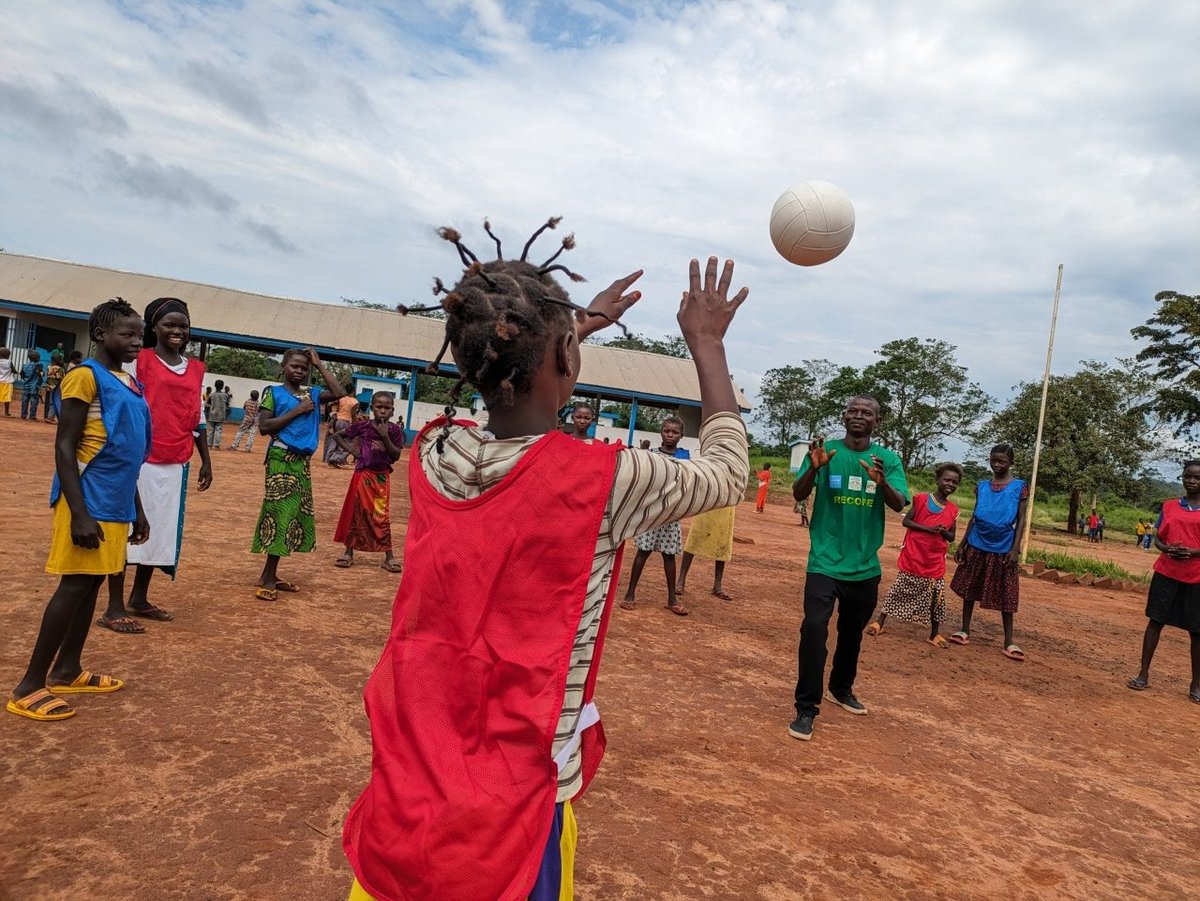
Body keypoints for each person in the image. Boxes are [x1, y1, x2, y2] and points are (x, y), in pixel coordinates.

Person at [340, 221, 748, 901]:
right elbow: (728, 470)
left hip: (409, 793)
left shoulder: (435, 450)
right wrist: (706, 345)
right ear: (563, 355)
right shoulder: (605, 479)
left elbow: (498, 388)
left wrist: (567, 331)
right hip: (515, 809)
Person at [6, 299, 151, 721]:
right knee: (72, 586)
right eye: (127, 334)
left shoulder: (128, 382)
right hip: (86, 499)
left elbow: (128, 452)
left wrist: (137, 508)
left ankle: (68, 668)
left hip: (115, 500)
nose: (135, 342)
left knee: (90, 586)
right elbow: (65, 446)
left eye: (139, 335)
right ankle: (30, 684)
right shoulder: (83, 377)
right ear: (100, 335)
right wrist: (81, 513)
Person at [788, 396, 909, 742]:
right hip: (824, 562)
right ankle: (806, 708)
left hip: (865, 566)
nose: (858, 416)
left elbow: (900, 504)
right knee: (813, 629)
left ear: (877, 421)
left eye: (866, 412)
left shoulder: (887, 460)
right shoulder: (827, 453)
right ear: (844, 417)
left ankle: (840, 688)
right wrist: (814, 468)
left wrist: (882, 481)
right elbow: (799, 494)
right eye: (853, 411)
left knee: (852, 634)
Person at [98, 297, 213, 634]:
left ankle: (139, 598)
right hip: (139, 458)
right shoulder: (139, 360)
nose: (177, 331)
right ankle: (114, 606)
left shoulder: (196, 368)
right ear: (153, 328)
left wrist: (206, 459)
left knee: (158, 530)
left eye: (183, 326)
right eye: (169, 325)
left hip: (176, 458)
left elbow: (198, 415)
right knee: (128, 526)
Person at [251, 347, 344, 601]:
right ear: (283, 366)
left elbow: (339, 393)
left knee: (291, 516)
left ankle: (269, 574)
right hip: (281, 459)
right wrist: (298, 411)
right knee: (279, 514)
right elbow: (264, 427)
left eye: (304, 368)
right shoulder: (274, 393)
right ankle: (268, 578)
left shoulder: (312, 393)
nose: (299, 371)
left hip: (301, 463)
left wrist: (320, 364)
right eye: (294, 366)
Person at [1126, 461, 1200, 704]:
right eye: (1188, 476)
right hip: (1167, 573)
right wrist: (1168, 549)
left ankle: (1196, 685)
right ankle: (1143, 674)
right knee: (1155, 621)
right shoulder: (1168, 507)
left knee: (1197, 631)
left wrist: (1192, 552)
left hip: (1196, 577)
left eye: (1197, 478)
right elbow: (1158, 539)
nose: (1192, 481)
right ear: (1182, 478)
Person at [866, 462, 962, 647]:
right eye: (947, 480)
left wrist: (942, 532)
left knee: (936, 597)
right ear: (938, 480)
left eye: (954, 482)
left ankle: (934, 634)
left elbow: (951, 537)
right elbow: (907, 522)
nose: (950, 484)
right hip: (914, 555)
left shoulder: (953, 510)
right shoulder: (922, 500)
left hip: (934, 561)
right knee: (899, 590)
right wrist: (928, 529)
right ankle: (880, 622)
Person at [949, 443, 1029, 660]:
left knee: (1007, 595)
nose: (997, 464)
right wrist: (963, 543)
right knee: (969, 590)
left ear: (1011, 463)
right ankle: (964, 629)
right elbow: (974, 516)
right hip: (977, 543)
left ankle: (1009, 641)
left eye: (1001, 461)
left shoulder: (1019, 486)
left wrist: (1016, 548)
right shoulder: (982, 485)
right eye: (993, 460)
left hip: (1004, 547)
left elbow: (1021, 520)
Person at [620, 415, 692, 615]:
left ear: (681, 435)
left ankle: (671, 598)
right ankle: (630, 593)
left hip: (670, 514)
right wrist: (642, 453)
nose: (670, 435)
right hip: (650, 512)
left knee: (669, 556)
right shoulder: (651, 454)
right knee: (642, 553)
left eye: (675, 432)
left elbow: (686, 483)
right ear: (661, 432)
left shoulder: (685, 457)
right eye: (667, 431)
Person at [332, 391, 405, 573]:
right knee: (356, 512)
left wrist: (384, 436)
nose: (382, 410)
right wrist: (354, 451)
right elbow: (338, 435)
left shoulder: (395, 431)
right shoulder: (363, 426)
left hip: (381, 478)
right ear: (372, 408)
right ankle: (348, 552)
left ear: (392, 411)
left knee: (381, 514)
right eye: (379, 407)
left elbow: (395, 455)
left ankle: (389, 557)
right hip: (362, 475)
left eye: (387, 407)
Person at [677, 506, 736, 602]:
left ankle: (717, 586)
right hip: (707, 502)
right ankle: (680, 581)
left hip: (727, 504)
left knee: (722, 542)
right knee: (694, 539)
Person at [324, 386, 359, 467]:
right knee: (347, 442)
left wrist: (333, 414)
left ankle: (332, 460)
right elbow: (353, 415)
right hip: (346, 422)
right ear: (353, 391)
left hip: (338, 421)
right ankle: (337, 460)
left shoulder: (341, 398)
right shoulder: (355, 401)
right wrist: (355, 425)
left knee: (337, 440)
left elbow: (330, 404)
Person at [18, 350, 44, 420]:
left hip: (26, 385)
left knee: (24, 401)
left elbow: (22, 374)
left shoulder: (25, 365)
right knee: (34, 401)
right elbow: (41, 374)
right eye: (38, 357)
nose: (39, 358)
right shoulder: (39, 365)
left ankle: (23, 415)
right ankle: (32, 416)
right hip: (34, 386)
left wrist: (26, 380)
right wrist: (41, 374)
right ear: (36, 358)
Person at [206, 379, 229, 449]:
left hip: (212, 415)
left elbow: (208, 403)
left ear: (214, 386)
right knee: (218, 430)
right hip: (221, 415)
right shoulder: (225, 395)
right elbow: (227, 404)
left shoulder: (211, 395)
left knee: (211, 430)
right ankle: (216, 445)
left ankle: (209, 445)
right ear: (222, 387)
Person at [42, 357, 64, 422]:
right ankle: (51, 417)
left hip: (49, 386)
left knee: (51, 401)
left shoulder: (49, 367)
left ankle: (49, 416)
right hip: (56, 387)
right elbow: (59, 377)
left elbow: (48, 376)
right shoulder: (61, 369)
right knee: (56, 401)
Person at [0, 347, 14, 416]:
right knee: (7, 399)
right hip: (8, 383)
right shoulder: (9, 362)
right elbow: (14, 370)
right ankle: (6, 412)